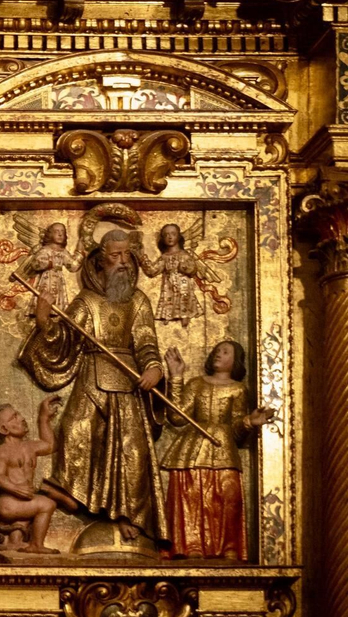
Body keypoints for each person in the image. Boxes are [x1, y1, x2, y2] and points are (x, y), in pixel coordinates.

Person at [19, 230, 168, 544]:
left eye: (128, 255)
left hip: (129, 383)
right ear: (100, 260)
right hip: (91, 377)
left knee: (132, 451)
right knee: (75, 430)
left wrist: (154, 368)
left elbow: (146, 343)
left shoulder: (138, 301)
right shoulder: (86, 300)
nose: (123, 262)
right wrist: (46, 321)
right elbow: (67, 337)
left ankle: (129, 515)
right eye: (116, 255)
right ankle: (71, 493)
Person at [162, 341, 271, 561]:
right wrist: (176, 377)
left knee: (228, 496)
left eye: (225, 351)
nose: (218, 354)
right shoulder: (195, 384)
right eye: (216, 351)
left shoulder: (238, 389)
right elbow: (176, 416)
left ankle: (228, 546)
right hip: (192, 449)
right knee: (191, 496)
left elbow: (237, 429)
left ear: (236, 361)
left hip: (223, 448)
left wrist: (250, 421)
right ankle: (191, 545)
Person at [0, 398, 76, 554]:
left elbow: (50, 445)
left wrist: (44, 418)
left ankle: (18, 541)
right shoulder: (3, 451)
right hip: (8, 503)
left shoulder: (29, 447)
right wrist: (16, 489)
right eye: (14, 417)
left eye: (18, 414)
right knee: (47, 504)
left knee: (40, 503)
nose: (22, 418)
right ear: (4, 429)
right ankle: (36, 544)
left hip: (24, 500)